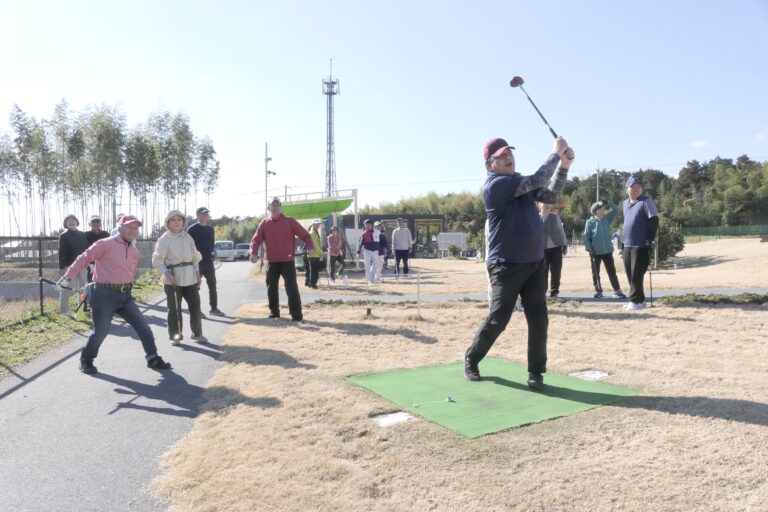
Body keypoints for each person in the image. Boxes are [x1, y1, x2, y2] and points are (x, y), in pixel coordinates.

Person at [464, 136, 574, 390]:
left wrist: (565, 166)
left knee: (539, 320)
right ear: (490, 164)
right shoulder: (495, 186)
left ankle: (536, 372)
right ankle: (472, 357)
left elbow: (550, 194)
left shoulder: (518, 182)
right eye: (501, 156)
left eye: (509, 154)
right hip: (505, 265)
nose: (508, 158)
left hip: (534, 263)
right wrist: (556, 154)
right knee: (498, 319)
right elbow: (537, 180)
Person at [56, 215, 172, 374]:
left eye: (136, 227)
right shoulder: (105, 244)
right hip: (104, 295)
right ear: (120, 228)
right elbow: (84, 258)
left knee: (144, 327)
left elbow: (130, 271)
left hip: (125, 295)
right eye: (129, 227)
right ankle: (86, 360)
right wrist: (67, 277)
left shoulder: (134, 251)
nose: (133, 230)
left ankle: (153, 358)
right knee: (101, 332)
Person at [249, 198, 315, 321]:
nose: (275, 208)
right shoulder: (264, 223)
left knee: (292, 288)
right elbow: (256, 240)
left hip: (287, 261)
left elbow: (305, 235)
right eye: (272, 206)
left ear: (281, 208)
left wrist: (310, 247)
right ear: (269, 208)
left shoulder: (289, 221)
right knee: (271, 288)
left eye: (277, 205)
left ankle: (296, 315)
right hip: (272, 262)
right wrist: (253, 253)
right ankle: (274, 312)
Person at [152, 210, 206, 346]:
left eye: (179, 219)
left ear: (183, 222)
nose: (176, 222)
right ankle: (176, 335)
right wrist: (167, 274)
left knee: (195, 306)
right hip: (172, 278)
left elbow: (195, 257)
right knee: (175, 308)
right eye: (173, 220)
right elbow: (157, 259)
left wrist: (198, 274)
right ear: (168, 223)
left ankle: (197, 333)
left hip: (190, 277)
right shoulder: (164, 239)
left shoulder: (187, 237)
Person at [622, 176, 659, 310]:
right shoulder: (625, 204)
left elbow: (654, 220)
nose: (636, 189)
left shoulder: (646, 201)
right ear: (627, 189)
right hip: (627, 244)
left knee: (636, 274)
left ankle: (634, 301)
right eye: (633, 187)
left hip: (641, 244)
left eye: (638, 187)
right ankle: (640, 301)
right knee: (629, 274)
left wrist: (650, 239)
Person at [583, 201, 627, 299]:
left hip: (607, 251)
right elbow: (586, 237)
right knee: (596, 273)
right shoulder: (590, 222)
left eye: (603, 209)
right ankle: (599, 291)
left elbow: (616, 210)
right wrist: (590, 249)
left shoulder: (607, 219)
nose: (603, 210)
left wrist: (609, 203)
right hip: (595, 252)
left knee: (612, 272)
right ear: (595, 212)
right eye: (600, 209)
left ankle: (617, 291)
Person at [188, 206, 225, 316]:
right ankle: (196, 311)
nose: (205, 215)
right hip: (196, 263)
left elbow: (212, 244)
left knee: (212, 285)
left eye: (206, 214)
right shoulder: (192, 229)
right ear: (198, 215)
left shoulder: (210, 229)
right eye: (202, 214)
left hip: (208, 262)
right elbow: (188, 246)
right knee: (196, 287)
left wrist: (210, 255)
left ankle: (214, 308)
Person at [58, 214, 89, 317]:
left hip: (82, 266)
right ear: (66, 224)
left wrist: (88, 263)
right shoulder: (63, 236)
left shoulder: (82, 235)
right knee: (65, 289)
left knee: (83, 289)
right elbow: (61, 252)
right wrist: (62, 267)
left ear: (77, 222)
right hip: (69, 267)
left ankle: (81, 310)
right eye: (69, 221)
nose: (71, 222)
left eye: (73, 220)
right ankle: (64, 311)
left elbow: (86, 250)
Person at [539, 203, 568, 298]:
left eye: (548, 204)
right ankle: (542, 291)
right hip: (541, 249)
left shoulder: (555, 217)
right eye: (544, 204)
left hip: (556, 247)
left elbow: (561, 231)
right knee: (543, 271)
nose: (546, 206)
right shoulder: (535, 217)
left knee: (556, 271)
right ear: (539, 205)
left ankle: (554, 291)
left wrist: (564, 244)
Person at [356, 219, 380, 285]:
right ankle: (369, 280)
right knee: (367, 265)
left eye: (369, 225)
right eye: (366, 225)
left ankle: (371, 278)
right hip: (367, 251)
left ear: (372, 225)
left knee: (375, 265)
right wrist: (358, 252)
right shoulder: (364, 234)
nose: (367, 226)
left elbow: (380, 241)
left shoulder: (377, 232)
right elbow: (360, 243)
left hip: (375, 251)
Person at [305, 219, 323, 289]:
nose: (318, 225)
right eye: (316, 224)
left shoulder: (315, 232)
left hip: (316, 254)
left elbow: (318, 244)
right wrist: (321, 253)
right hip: (313, 255)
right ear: (313, 224)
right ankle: (312, 284)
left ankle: (312, 283)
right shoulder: (312, 233)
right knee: (313, 270)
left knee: (315, 270)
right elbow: (315, 245)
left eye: (319, 224)